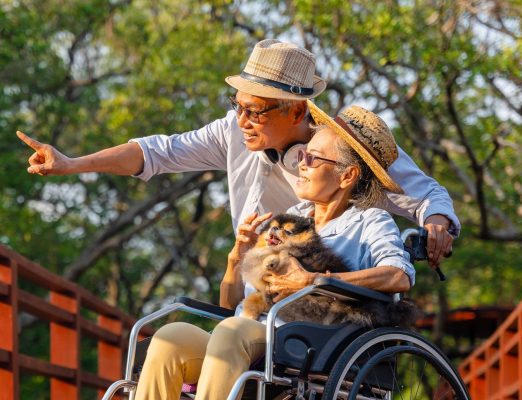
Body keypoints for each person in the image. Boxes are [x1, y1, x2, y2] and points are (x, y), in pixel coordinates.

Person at [17, 39, 458, 266]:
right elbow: (157, 153)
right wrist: (73, 164)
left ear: (297, 109)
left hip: (318, 291)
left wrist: (437, 223)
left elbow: (425, 195)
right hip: (250, 281)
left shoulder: (343, 149)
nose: (243, 118)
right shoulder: (234, 131)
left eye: (257, 110)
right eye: (238, 105)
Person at [133, 105, 415, 400]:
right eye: (302, 154)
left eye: (312, 158)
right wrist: (237, 257)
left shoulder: (369, 221)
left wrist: (313, 280)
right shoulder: (289, 217)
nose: (301, 164)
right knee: (170, 338)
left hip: (306, 342)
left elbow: (399, 276)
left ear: (347, 176)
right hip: (250, 333)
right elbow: (232, 307)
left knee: (232, 333)